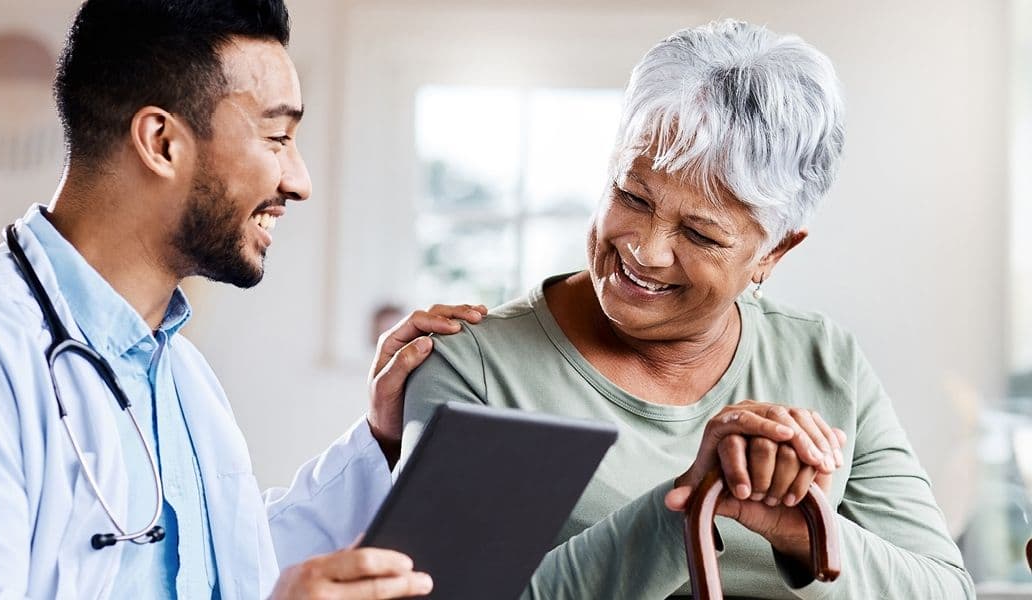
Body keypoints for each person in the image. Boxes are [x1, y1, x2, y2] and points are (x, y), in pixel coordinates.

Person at [0, 1, 490, 598]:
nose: (300, 181)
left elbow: (232, 572)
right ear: (162, 142)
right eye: (278, 137)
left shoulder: (178, 374)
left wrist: (380, 437)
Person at [402, 19, 974, 598]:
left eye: (700, 235)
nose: (644, 251)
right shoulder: (473, 365)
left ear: (773, 252)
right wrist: (687, 505)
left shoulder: (825, 359)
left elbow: (945, 590)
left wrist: (802, 533)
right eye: (632, 196)